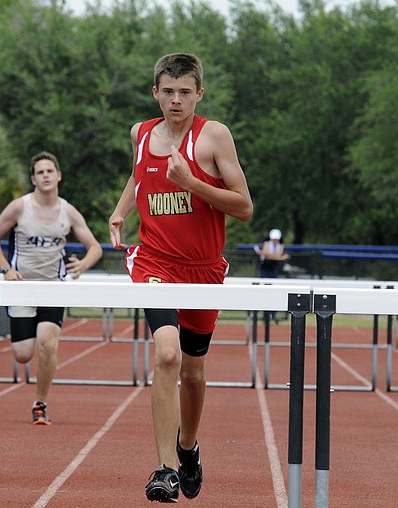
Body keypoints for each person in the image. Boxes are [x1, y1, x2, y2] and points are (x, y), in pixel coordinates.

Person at [108, 52, 253, 502]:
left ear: (199, 94)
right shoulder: (141, 133)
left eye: (185, 92)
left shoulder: (213, 137)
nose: (175, 100)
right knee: (166, 355)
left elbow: (245, 207)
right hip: (154, 263)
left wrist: (191, 182)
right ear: (155, 92)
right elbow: (140, 177)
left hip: (202, 269)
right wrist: (119, 212)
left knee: (193, 373)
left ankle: (187, 448)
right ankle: (165, 469)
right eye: (168, 92)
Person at [0, 151, 102, 425]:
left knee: (48, 343)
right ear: (33, 178)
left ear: (58, 176)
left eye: (50, 171)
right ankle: (30, 336)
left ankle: (40, 403)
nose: (46, 175)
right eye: (40, 172)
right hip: (22, 286)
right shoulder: (19, 207)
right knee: (23, 355)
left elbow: (94, 247)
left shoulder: (67, 211)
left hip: (53, 287)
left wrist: (83, 265)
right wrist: (6, 269)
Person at [258, 228, 290, 323]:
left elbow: (270, 254)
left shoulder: (281, 245)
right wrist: (280, 257)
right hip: (265, 269)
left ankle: (273, 314)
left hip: (274, 270)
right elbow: (268, 255)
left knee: (274, 291)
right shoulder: (267, 243)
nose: (275, 240)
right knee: (265, 291)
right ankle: (265, 315)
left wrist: (274, 256)